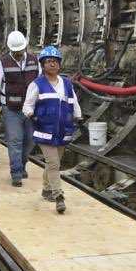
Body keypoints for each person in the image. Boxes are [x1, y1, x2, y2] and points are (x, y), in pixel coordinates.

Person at [23, 46, 80, 214]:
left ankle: (47, 189)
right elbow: (27, 105)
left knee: (54, 162)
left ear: (59, 64)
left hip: (63, 131)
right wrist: (31, 114)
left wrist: (78, 116)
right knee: (54, 163)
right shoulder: (37, 84)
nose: (52, 65)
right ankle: (59, 196)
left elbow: (73, 102)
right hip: (44, 130)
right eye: (48, 62)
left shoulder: (67, 84)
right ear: (43, 65)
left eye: (55, 61)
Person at [0, 31, 39, 187]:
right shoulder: (2, 63)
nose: (18, 53)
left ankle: (22, 164)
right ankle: (16, 173)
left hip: (31, 109)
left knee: (30, 140)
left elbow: (41, 83)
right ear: (10, 49)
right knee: (15, 141)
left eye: (20, 50)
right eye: (15, 51)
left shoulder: (34, 61)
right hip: (11, 109)